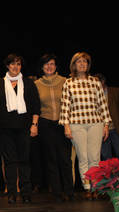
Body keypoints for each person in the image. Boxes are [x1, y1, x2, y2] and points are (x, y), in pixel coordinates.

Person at [59, 52, 111, 200]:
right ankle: (87, 187)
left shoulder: (95, 82)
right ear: (74, 65)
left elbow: (103, 104)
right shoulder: (68, 83)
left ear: (88, 65)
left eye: (84, 62)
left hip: (96, 122)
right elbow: (65, 106)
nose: (82, 64)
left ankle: (96, 187)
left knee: (94, 157)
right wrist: (66, 126)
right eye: (78, 62)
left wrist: (106, 125)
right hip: (76, 124)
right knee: (83, 158)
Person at [0, 53, 40, 204]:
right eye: (12, 64)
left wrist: (34, 125)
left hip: (25, 128)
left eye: (18, 64)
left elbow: (35, 107)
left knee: (25, 161)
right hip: (5, 129)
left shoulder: (28, 83)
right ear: (7, 65)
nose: (15, 67)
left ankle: (26, 192)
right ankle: (11, 193)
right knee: (9, 162)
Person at [34, 54, 74, 202]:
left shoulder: (65, 81)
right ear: (42, 67)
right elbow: (35, 107)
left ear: (56, 66)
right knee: (51, 160)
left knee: (65, 159)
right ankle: (56, 193)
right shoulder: (36, 84)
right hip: (45, 124)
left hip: (63, 123)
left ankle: (69, 191)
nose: (49, 67)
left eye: (52, 64)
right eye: (46, 64)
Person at [93, 73, 119, 160]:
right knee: (106, 158)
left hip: (116, 129)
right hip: (102, 131)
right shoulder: (92, 95)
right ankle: (110, 174)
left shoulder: (115, 91)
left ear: (103, 81)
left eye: (97, 82)